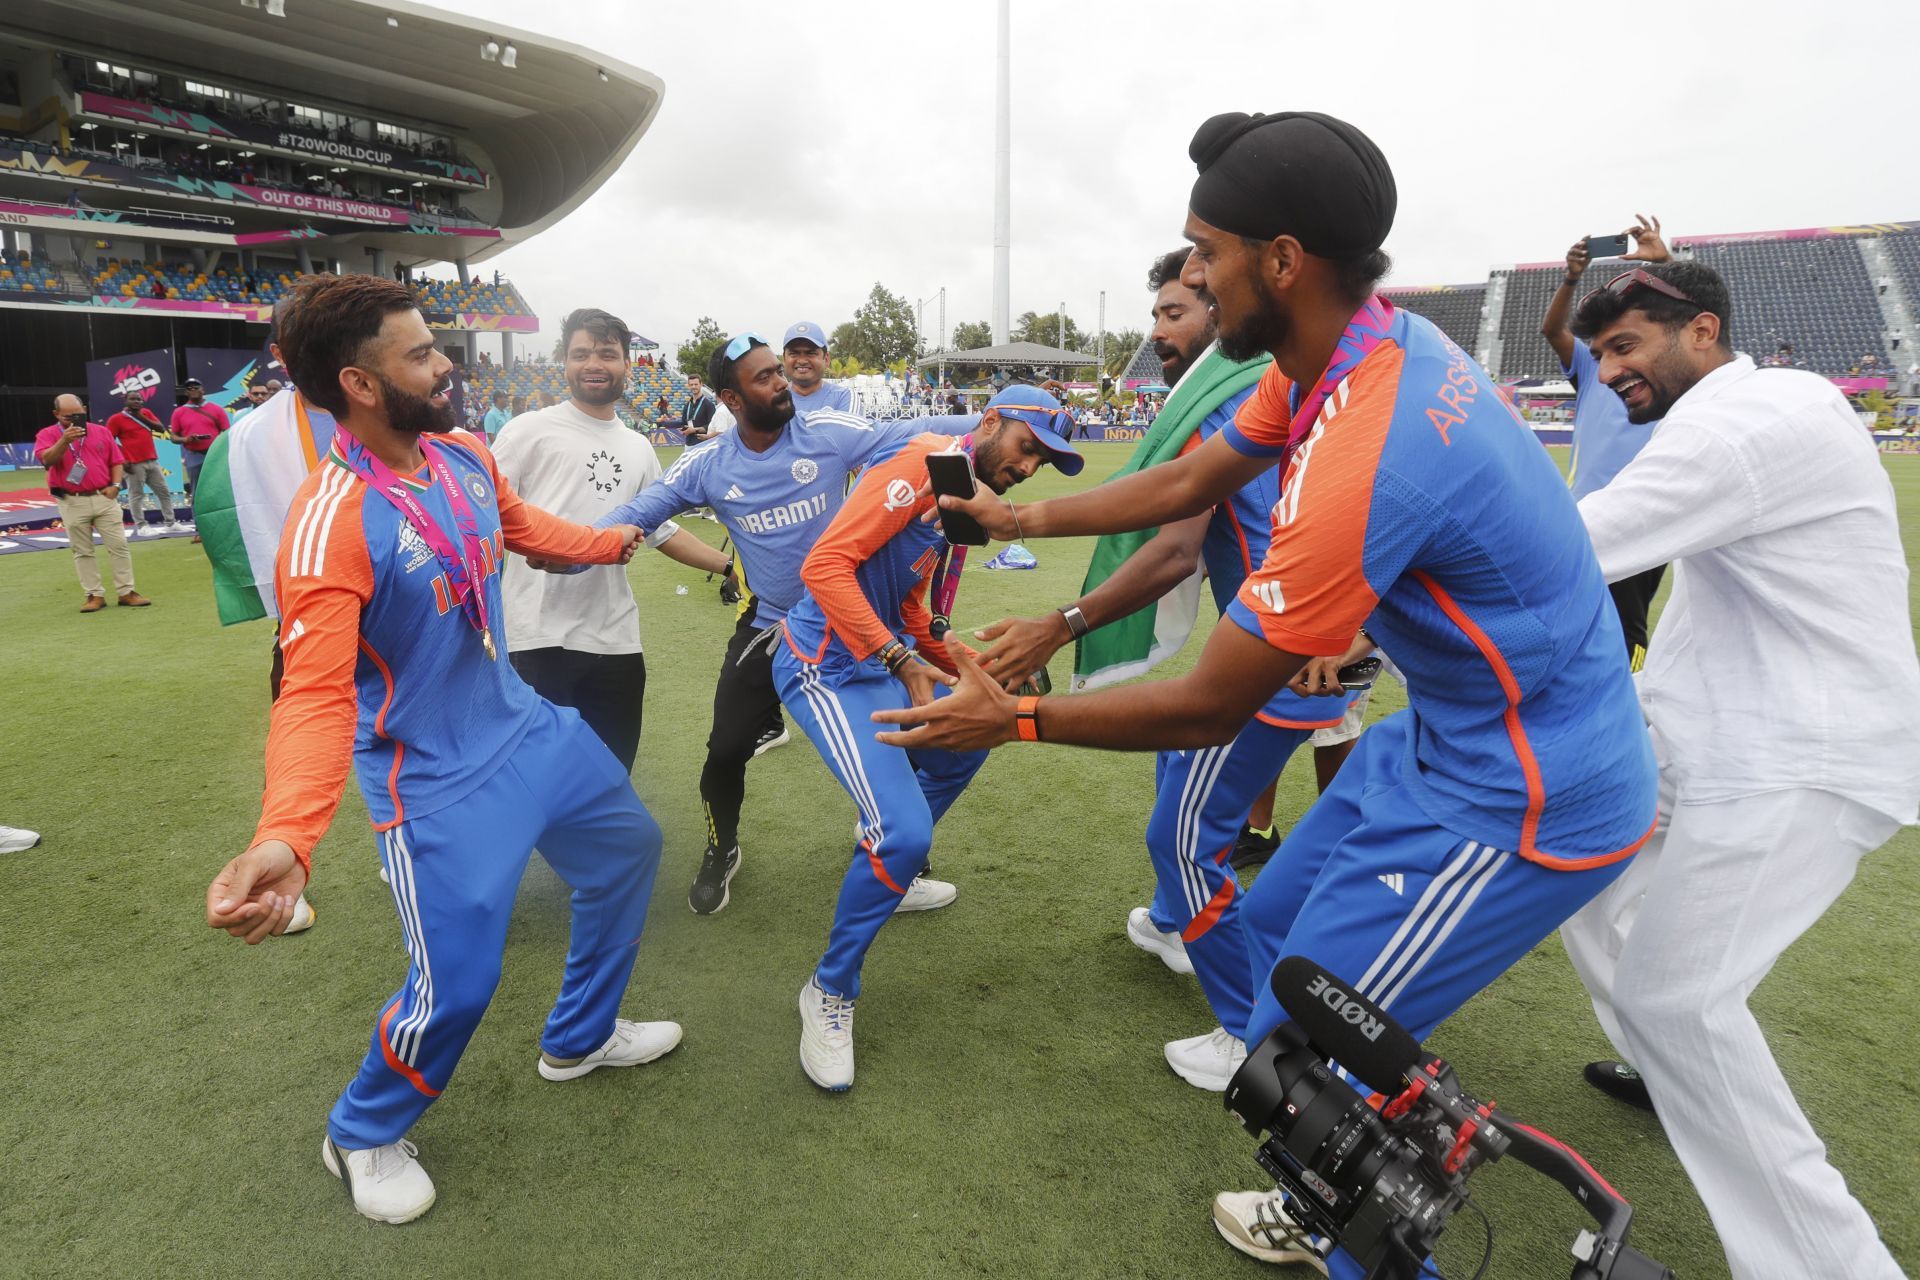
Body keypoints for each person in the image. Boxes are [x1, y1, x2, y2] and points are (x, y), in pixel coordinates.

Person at [871, 110, 1656, 1278]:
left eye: (1206, 251)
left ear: (1281, 261)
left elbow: (1205, 705)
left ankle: (1358, 1219)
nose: (1192, 272)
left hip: (1527, 799)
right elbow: (1193, 475)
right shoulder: (1346, 350)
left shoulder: (1372, 442)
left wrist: (1015, 713)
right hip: (1445, 743)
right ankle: (1350, 1145)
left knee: (1305, 1068)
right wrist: (1017, 514)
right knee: (1275, 940)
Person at [202, 273, 676, 1226]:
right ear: (361, 385)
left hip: (525, 726)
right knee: (457, 985)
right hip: (433, 780)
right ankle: (362, 1131)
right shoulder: (329, 522)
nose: (445, 363)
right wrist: (288, 838)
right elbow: (314, 695)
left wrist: (606, 543)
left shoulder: (458, 452)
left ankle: (578, 1040)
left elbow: (517, 527)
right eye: (420, 353)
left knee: (630, 848)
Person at [1559, 261, 1920, 1280]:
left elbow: (1568, 550)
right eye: (1600, 356)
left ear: (1703, 331)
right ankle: (1672, 1064)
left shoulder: (1737, 428)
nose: (1613, 371)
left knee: (1678, 1001)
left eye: (1628, 346)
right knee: (1581, 855)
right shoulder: (1751, 406)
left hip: (1801, 754)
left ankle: (1837, 1267)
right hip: (1713, 731)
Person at [971, 248, 1364, 1091]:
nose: (1159, 333)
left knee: (1181, 833)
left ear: (1221, 311)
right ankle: (1173, 921)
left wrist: (1060, 623)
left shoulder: (1234, 398)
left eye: (1176, 313)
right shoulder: (1259, 390)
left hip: (1294, 656)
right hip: (1298, 642)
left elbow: (1171, 547)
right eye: (1155, 316)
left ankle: (1247, 1031)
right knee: (1179, 772)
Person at [776, 386, 1082, 1091]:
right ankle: (828, 991)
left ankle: (887, 851)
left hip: (879, 658)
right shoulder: (924, 462)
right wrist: (906, 665)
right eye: (1027, 448)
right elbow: (824, 568)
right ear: (991, 422)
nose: (1028, 469)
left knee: (971, 742)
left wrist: (969, 663)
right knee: (905, 833)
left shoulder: (956, 490)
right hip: (823, 665)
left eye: (1044, 460)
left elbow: (907, 601)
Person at [594, 335, 963, 916]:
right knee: (725, 751)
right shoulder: (709, 464)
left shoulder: (828, 432)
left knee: (909, 736)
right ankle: (722, 849)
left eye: (778, 372)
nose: (781, 383)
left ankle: (899, 855)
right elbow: (644, 507)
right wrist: (594, 537)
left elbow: (913, 429)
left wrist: (995, 419)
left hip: (850, 625)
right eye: (764, 377)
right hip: (769, 626)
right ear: (731, 399)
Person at [494, 307, 737, 770]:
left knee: (612, 773)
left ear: (628, 364)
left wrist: (728, 567)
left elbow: (662, 532)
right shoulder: (527, 431)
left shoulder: (639, 447)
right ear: (563, 362)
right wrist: (553, 549)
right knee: (541, 781)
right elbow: (487, 520)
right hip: (537, 635)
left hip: (615, 641)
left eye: (607, 353)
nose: (594, 363)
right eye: (581, 353)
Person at [1541, 214, 1670, 672]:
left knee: (1625, 625)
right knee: (1574, 616)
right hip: (1582, 513)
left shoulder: (1665, 375)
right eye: (1601, 347)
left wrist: (1661, 266)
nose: (1610, 359)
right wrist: (1570, 279)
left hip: (1641, 515)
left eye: (1623, 343)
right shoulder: (1593, 367)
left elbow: (1674, 323)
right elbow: (1553, 331)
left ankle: (1632, 705)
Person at [36, 394, 151, 612]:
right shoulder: (47, 435)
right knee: (82, 550)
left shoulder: (101, 431)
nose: (72, 420)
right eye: (67, 417)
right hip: (71, 500)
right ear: (56, 415)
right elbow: (47, 460)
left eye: (77, 415)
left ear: (85, 410)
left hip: (103, 497)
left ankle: (126, 591)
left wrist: (116, 486)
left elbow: (116, 461)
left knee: (119, 546)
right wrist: (64, 440)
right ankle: (94, 595)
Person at [106, 390, 177, 535]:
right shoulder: (116, 419)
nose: (137, 402)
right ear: (125, 400)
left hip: (152, 460)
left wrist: (140, 416)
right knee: (136, 495)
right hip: (133, 464)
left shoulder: (146, 413)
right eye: (133, 399)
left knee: (163, 492)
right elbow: (108, 442)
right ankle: (141, 526)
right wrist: (122, 460)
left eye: (139, 399)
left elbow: (160, 428)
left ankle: (170, 523)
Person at [168, 376, 231, 511]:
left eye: (196, 387)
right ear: (186, 393)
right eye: (189, 388)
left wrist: (219, 448)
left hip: (214, 455)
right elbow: (173, 437)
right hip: (193, 455)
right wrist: (185, 439)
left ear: (203, 390)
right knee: (197, 491)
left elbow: (227, 433)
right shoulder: (179, 412)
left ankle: (221, 521)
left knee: (220, 488)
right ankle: (199, 526)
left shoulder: (216, 409)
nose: (193, 390)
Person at [781, 321, 853, 415]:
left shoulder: (843, 397)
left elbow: (848, 429)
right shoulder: (774, 398)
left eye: (811, 353)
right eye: (794, 353)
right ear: (784, 359)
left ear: (826, 359)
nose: (802, 361)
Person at [680, 373, 720, 443]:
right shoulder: (687, 405)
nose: (693, 387)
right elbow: (683, 422)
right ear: (688, 386)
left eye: (696, 384)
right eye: (691, 385)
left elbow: (712, 426)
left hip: (703, 444)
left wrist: (695, 430)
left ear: (701, 384)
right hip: (689, 443)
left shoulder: (709, 405)